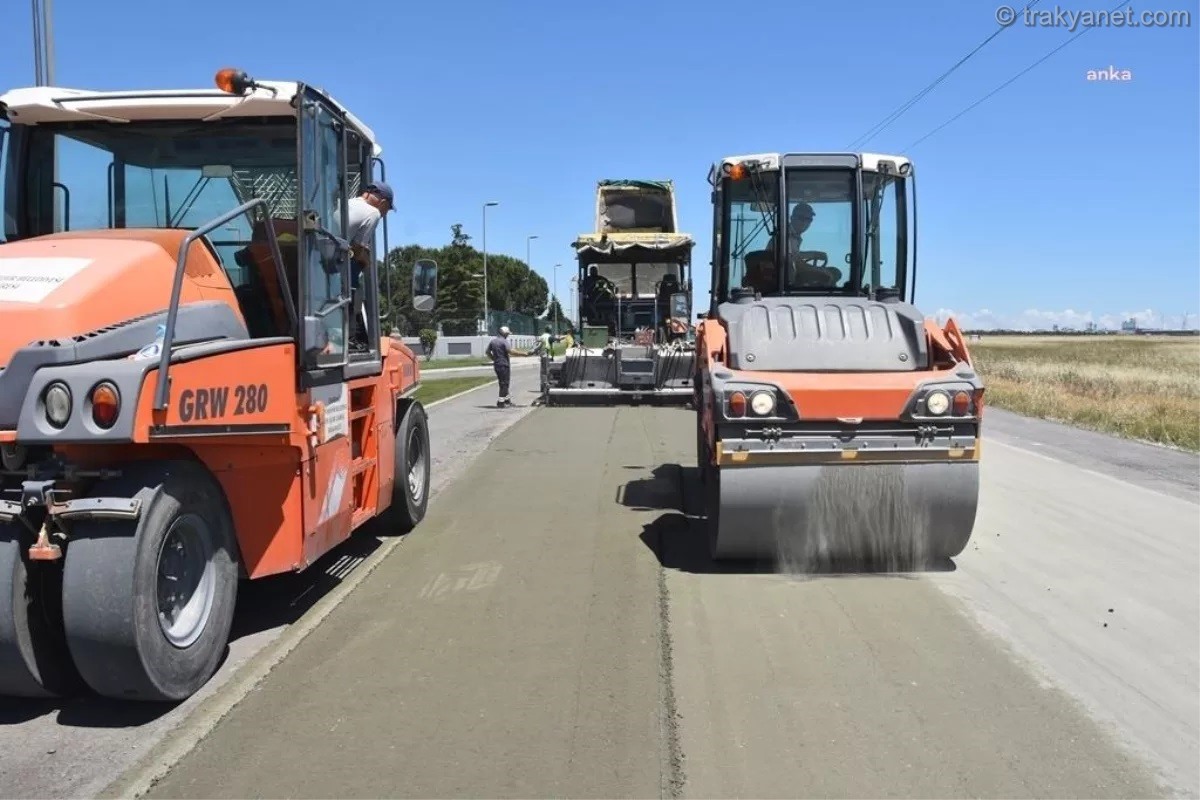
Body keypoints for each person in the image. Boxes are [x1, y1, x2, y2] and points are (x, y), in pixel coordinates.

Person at [342, 182, 395, 349]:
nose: (385, 213)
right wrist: (368, 263)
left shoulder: (347, 203)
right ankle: (351, 337)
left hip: (325, 258)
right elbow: (357, 250)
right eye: (387, 209)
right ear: (383, 202)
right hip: (336, 266)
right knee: (356, 277)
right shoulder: (373, 213)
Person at [485, 325, 529, 407]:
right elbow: (511, 351)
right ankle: (500, 402)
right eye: (507, 334)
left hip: (497, 364)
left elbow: (487, 352)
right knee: (504, 384)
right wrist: (524, 354)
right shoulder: (504, 341)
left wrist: (494, 359)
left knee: (502, 382)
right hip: (504, 364)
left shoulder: (493, 341)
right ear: (504, 333)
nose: (508, 335)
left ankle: (507, 400)